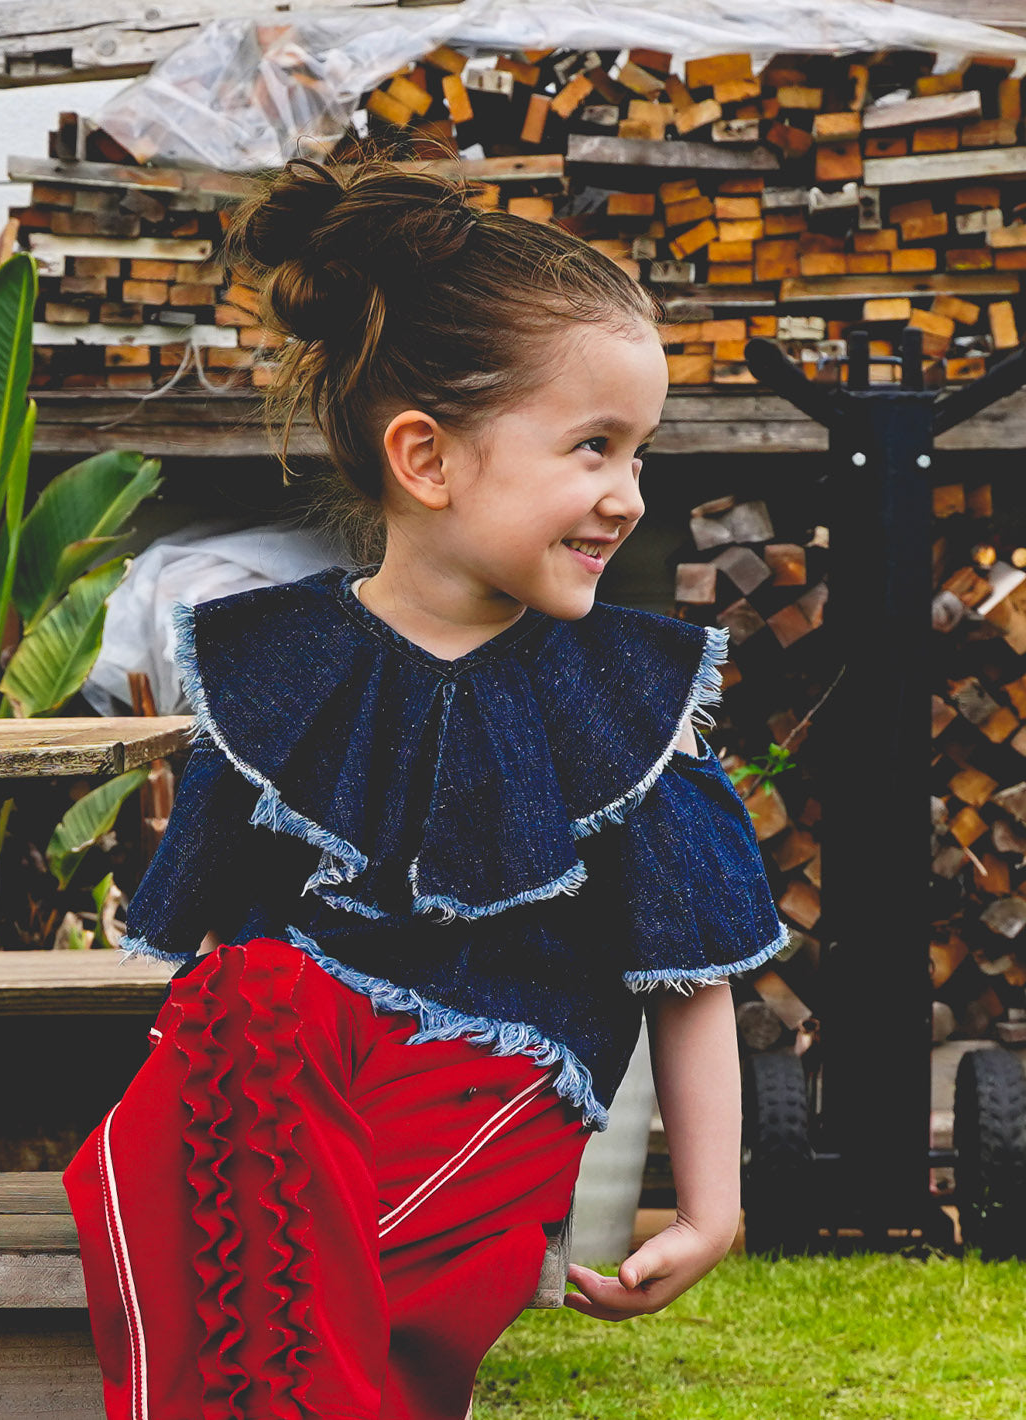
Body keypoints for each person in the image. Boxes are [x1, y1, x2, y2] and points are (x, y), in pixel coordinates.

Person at [63, 148, 790, 1420]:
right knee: (238, 1020)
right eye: (591, 448)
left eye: (638, 454)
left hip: (488, 1085)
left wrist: (713, 1205)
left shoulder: (622, 699)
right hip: (288, 1082)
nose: (626, 496)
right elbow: (207, 963)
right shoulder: (275, 665)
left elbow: (689, 972)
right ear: (427, 456)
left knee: (319, 1256)